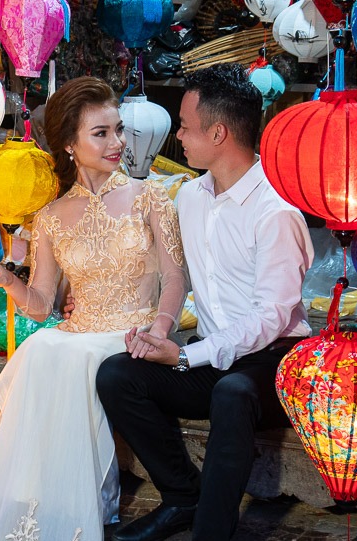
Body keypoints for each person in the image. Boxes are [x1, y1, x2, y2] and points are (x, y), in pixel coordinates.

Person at [0, 76, 188, 541]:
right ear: (70, 145)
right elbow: (39, 307)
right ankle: (35, 505)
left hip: (135, 331)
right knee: (42, 350)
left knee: (64, 355)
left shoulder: (150, 196)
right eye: (101, 133)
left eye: (118, 130)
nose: (117, 142)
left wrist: (160, 329)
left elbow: (176, 277)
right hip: (80, 330)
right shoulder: (52, 216)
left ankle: (73, 509)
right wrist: (8, 279)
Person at [96, 64, 314, 541]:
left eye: (186, 127)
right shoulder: (191, 196)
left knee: (233, 392)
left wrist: (186, 355)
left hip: (271, 364)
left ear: (219, 132)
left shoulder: (276, 210)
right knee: (117, 374)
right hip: (211, 355)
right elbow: (179, 276)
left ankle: (211, 534)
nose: (179, 136)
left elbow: (271, 316)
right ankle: (181, 499)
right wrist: (159, 328)